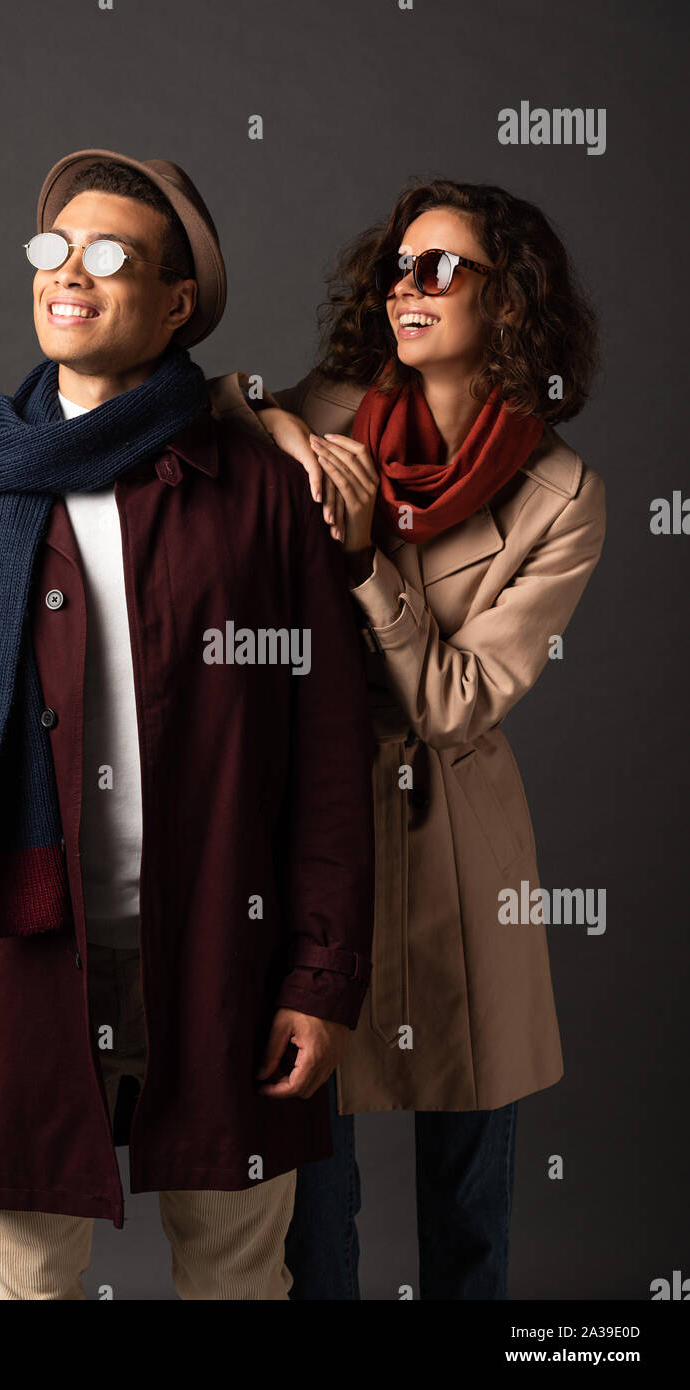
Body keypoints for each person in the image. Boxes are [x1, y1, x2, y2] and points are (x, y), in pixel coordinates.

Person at [0, 148, 375, 1301]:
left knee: (238, 1269)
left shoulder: (261, 493)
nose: (70, 274)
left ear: (178, 299)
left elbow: (328, 762)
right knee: (21, 1272)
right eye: (52, 250)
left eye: (109, 256)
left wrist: (321, 970)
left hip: (225, 951)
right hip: (21, 953)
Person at [217, 178, 606, 1298]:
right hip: (317, 835)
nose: (409, 287)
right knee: (312, 1205)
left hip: (460, 855)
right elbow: (218, 410)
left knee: (469, 1206)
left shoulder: (561, 494)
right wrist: (284, 421)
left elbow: (456, 702)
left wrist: (357, 563)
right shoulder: (336, 412)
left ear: (512, 302)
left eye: (443, 269)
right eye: (401, 266)